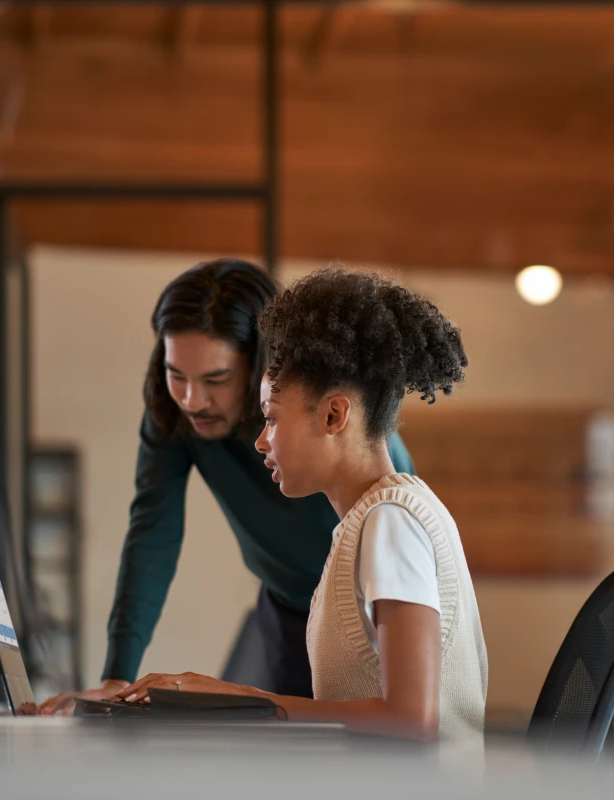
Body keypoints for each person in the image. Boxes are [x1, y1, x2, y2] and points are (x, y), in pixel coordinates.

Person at [120, 267, 488, 742]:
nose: (259, 441)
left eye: (271, 418)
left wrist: (244, 698)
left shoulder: (391, 523)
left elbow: (411, 721)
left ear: (334, 415)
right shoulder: (368, 523)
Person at [39, 259, 414, 715]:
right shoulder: (174, 415)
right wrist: (116, 677)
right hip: (283, 606)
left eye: (216, 380)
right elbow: (152, 533)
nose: (193, 400)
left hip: (364, 613)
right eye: (176, 375)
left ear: (263, 366)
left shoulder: (350, 443)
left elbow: (409, 714)